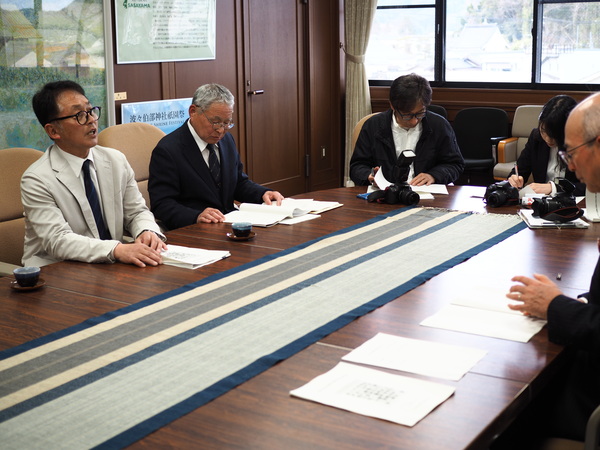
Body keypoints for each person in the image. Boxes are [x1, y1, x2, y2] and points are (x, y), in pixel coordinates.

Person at [507, 92, 600, 442]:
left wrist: (555, 306)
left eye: (570, 152)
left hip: (589, 396)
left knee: (509, 397)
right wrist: (583, 302)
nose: (570, 165)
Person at [21, 80, 167, 268]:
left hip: (108, 264)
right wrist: (117, 250)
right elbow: (58, 240)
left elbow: (136, 211)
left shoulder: (115, 159)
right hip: (57, 269)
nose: (91, 119)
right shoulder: (36, 179)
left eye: (91, 111)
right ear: (53, 130)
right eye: (79, 115)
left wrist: (146, 231)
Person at [148, 83, 284, 230]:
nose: (220, 130)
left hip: (228, 224)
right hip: (195, 230)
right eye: (215, 122)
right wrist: (196, 216)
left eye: (227, 123)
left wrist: (263, 193)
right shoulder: (168, 150)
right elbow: (162, 204)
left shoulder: (226, 140)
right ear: (193, 111)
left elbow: (238, 183)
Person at [349, 73, 464, 187]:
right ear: (392, 106)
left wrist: (433, 176)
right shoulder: (373, 125)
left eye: (420, 113)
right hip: (386, 192)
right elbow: (357, 166)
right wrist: (369, 176)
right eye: (407, 115)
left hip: (427, 191)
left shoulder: (439, 125)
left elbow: (454, 164)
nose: (414, 121)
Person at [507, 94, 585, 196]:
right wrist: (514, 179)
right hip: (541, 202)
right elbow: (520, 170)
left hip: (575, 202)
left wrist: (554, 188)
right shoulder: (536, 138)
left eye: (554, 135)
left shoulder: (585, 143)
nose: (548, 139)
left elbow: (591, 186)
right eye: (543, 131)